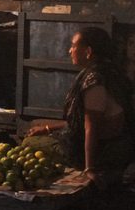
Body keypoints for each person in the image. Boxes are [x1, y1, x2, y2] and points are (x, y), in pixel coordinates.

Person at [27, 27, 134, 191]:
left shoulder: (95, 81)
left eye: (73, 45)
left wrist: (89, 169)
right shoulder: (113, 72)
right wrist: (47, 128)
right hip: (115, 146)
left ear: (88, 51)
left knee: (30, 143)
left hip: (102, 152)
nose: (70, 50)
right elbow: (84, 122)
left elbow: (92, 128)